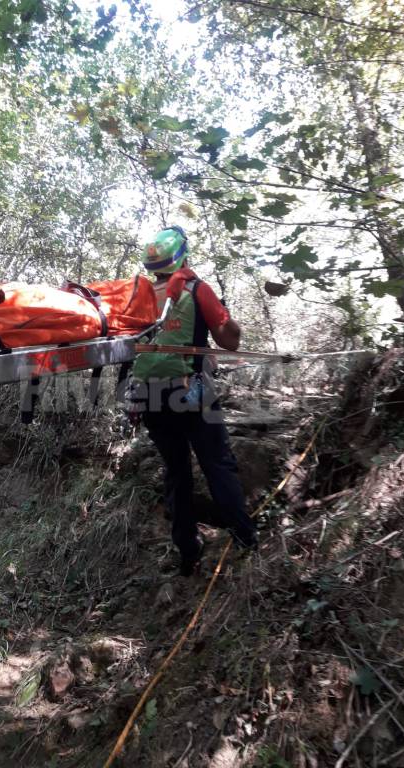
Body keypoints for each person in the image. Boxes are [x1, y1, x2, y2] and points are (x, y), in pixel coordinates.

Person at [129, 225, 257, 576]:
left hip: (149, 396)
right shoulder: (196, 288)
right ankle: (245, 540)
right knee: (217, 463)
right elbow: (230, 340)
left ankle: (187, 552)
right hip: (193, 390)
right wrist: (228, 319)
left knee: (177, 472)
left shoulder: (136, 297)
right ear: (181, 254)